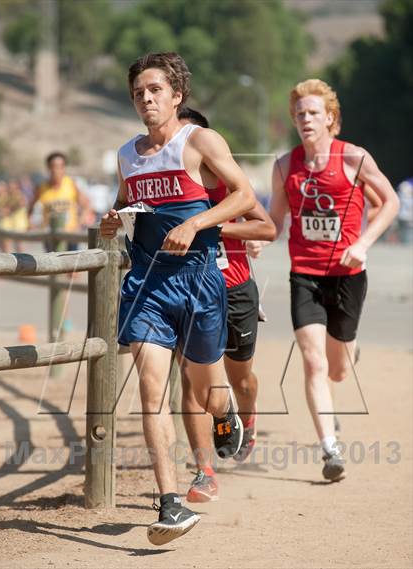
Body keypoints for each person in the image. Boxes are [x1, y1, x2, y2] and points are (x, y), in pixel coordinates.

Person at [99, 52, 256, 545]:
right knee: (150, 389)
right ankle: (169, 504)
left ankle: (226, 414)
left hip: (199, 281)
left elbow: (244, 195)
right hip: (147, 285)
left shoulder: (200, 141)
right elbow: (128, 205)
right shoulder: (127, 154)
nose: (146, 98)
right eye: (138, 93)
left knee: (207, 388)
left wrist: (195, 222)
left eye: (155, 90)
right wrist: (113, 218)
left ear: (176, 95)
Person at [270, 79, 399, 482]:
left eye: (312, 113)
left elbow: (390, 202)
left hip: (347, 274)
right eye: (299, 114)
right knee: (313, 361)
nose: (305, 119)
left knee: (338, 370)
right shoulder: (284, 166)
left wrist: (362, 243)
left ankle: (349, 349)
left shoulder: (354, 158)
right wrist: (250, 239)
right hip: (304, 273)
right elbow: (274, 222)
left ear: (330, 118)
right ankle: (331, 450)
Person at [177, 107, 276, 502]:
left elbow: (266, 227)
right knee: (190, 378)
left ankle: (245, 418)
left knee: (242, 379)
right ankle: (204, 472)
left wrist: (211, 226)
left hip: (234, 291)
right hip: (190, 290)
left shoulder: (226, 182)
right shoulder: (170, 186)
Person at [28, 152, 92, 251]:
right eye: (53, 166)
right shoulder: (42, 187)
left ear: (64, 168)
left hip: (70, 235)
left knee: (72, 265)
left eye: (60, 166)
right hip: (50, 236)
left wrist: (80, 223)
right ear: (48, 168)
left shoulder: (71, 184)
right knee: (51, 264)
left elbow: (86, 205)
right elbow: (30, 206)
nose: (56, 170)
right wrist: (30, 224)